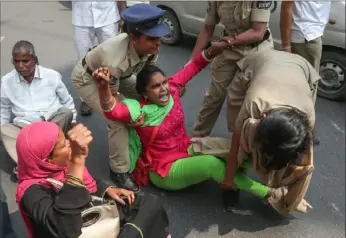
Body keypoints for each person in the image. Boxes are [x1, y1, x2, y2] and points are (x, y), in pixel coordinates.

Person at [93, 42, 285, 210]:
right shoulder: (140, 111)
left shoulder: (173, 90)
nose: (163, 89)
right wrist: (103, 88)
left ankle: (241, 181)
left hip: (186, 148)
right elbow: (113, 111)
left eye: (164, 83)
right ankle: (269, 194)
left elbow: (194, 67)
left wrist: (212, 51)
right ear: (144, 94)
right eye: (155, 87)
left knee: (237, 152)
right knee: (212, 164)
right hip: (165, 169)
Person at [71, 4, 169, 192]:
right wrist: (130, 115)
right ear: (134, 38)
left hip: (122, 76)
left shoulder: (150, 47)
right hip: (91, 80)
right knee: (118, 121)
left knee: (152, 97)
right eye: (152, 38)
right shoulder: (114, 59)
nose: (158, 43)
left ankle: (149, 144)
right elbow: (112, 101)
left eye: (159, 37)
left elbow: (146, 75)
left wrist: (159, 91)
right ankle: (118, 170)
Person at [15, 122, 170, 238]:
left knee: (149, 203)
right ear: (46, 161)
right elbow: (65, 228)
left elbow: (86, 181)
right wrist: (77, 161)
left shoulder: (59, 166)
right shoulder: (31, 193)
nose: (70, 145)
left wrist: (107, 190)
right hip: (77, 229)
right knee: (135, 229)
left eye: (66, 138)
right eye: (64, 145)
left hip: (92, 212)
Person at [223, 49, 320, 214]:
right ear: (263, 117)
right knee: (238, 129)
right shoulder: (254, 103)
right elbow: (235, 145)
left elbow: (306, 162)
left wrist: (295, 194)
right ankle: (237, 182)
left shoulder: (307, 118)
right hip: (259, 63)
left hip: (301, 69)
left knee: (288, 150)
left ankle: (273, 187)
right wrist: (229, 179)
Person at [190, 1, 274, 137]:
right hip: (229, 48)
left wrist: (227, 42)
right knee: (213, 96)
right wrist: (191, 62)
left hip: (256, 49)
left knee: (250, 101)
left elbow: (258, 32)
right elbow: (207, 29)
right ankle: (197, 138)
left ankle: (242, 144)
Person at [0, 40, 76, 166]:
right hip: (24, 127)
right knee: (3, 129)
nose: (20, 66)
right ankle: (35, 161)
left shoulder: (52, 76)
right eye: (16, 61)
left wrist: (73, 122)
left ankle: (33, 161)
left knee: (66, 113)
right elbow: (4, 108)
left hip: (51, 122)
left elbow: (66, 100)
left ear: (34, 59)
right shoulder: (7, 81)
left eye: (25, 61)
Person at [72, 1, 127, 116]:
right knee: (83, 60)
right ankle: (86, 99)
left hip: (108, 16)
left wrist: (123, 11)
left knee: (112, 58)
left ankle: (113, 94)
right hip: (82, 18)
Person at [280, 1, 331, 71]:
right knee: (304, 78)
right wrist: (286, 46)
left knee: (308, 78)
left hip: (311, 35)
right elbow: (286, 6)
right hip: (304, 36)